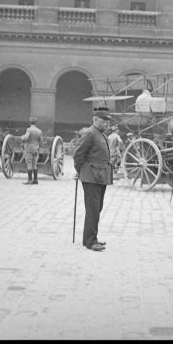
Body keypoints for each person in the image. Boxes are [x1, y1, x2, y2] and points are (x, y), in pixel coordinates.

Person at [73, 107, 113, 252]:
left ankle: (90, 238)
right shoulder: (90, 133)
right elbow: (78, 154)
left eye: (108, 121)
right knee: (93, 209)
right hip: (91, 177)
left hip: (100, 177)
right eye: (104, 121)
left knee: (97, 208)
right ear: (95, 120)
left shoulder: (101, 134)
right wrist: (81, 171)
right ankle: (90, 241)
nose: (107, 124)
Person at [21, 117, 43, 185]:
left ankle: (30, 180)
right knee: (34, 164)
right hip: (36, 149)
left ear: (30, 122)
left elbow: (26, 137)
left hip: (29, 149)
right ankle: (35, 180)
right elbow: (41, 141)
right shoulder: (39, 131)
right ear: (36, 123)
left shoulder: (29, 130)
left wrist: (22, 137)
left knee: (29, 163)